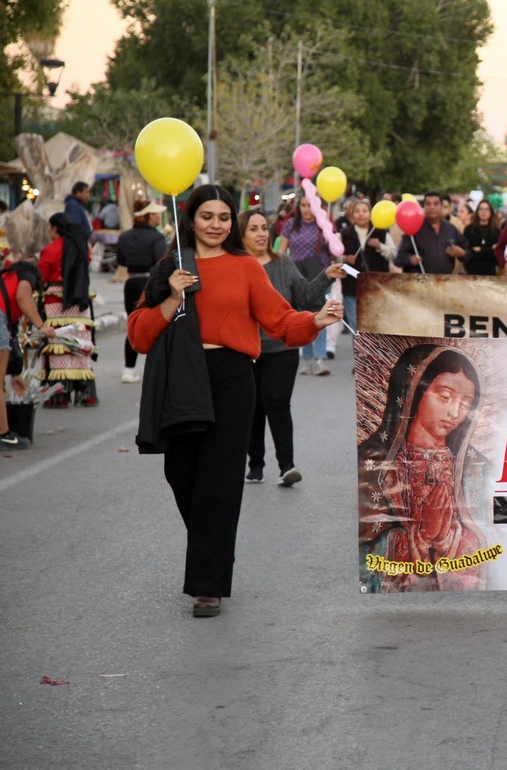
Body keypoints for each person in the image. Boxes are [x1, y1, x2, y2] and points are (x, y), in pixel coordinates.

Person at [127, 184, 345, 617]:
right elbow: (139, 335)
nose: (215, 225)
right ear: (190, 219)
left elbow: (280, 320)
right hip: (182, 379)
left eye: (223, 218)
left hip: (232, 377)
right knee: (181, 474)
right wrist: (172, 296)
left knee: (220, 480)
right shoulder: (170, 267)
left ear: (232, 223)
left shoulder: (246, 268)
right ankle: (213, 546)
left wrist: (315, 321)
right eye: (207, 217)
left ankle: (209, 585)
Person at [358, 344, 490, 592]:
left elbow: (494, 536)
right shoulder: (370, 463)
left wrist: (448, 538)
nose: (453, 412)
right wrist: (419, 536)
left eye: (465, 403)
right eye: (444, 396)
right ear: (414, 393)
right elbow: (361, 544)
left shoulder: (476, 467)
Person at [239, 208, 345, 486]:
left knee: (276, 401)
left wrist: (326, 275)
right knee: (251, 407)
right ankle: (255, 463)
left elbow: (307, 298)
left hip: (282, 347)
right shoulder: (235, 267)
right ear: (240, 234)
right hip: (246, 350)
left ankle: (287, 466)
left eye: (264, 227)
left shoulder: (283, 263)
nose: (262, 233)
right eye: (254, 228)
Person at [38, 212, 97, 407]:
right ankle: (86, 393)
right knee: (80, 343)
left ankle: (59, 395)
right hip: (79, 299)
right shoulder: (82, 247)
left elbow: (41, 277)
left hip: (56, 301)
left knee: (58, 345)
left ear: (55, 228)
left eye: (49, 228)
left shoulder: (50, 249)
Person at [1, 253, 57, 448]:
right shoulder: (27, 275)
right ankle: (4, 435)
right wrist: (42, 326)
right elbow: (22, 297)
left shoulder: (7, 277)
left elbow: (11, 338)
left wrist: (15, 373)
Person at [278, 196, 333, 375]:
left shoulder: (322, 224)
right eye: (303, 205)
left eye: (310, 205)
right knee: (303, 317)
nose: (307, 209)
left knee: (321, 315)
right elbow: (281, 251)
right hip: (298, 277)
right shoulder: (291, 225)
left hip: (320, 275)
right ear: (298, 207)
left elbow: (334, 249)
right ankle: (307, 359)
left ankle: (319, 359)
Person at [116, 200, 168, 383]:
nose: (159, 217)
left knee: (133, 324)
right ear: (150, 216)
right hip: (150, 283)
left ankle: (128, 369)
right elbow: (161, 262)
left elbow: (120, 261)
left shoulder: (125, 236)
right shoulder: (157, 238)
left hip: (131, 282)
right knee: (157, 325)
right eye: (156, 214)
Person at [338, 198, 396, 334]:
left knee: (374, 325)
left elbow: (393, 253)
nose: (361, 214)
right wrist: (345, 258)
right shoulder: (345, 234)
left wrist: (380, 246)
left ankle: (373, 354)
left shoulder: (381, 232)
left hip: (376, 285)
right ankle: (358, 355)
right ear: (352, 214)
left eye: (364, 211)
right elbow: (335, 257)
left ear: (371, 214)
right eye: (357, 211)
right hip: (352, 285)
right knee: (355, 325)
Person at [395, 191, 469, 275]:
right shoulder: (415, 228)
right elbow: (398, 258)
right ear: (424, 206)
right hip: (419, 283)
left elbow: (467, 251)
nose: (432, 207)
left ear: (441, 206)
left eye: (436, 203)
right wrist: (410, 259)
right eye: (428, 204)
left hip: (445, 283)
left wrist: (462, 253)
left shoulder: (451, 229)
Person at [462, 199, 501, 276]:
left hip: (490, 272)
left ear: (491, 212)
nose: (484, 212)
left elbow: (496, 253)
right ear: (477, 211)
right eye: (481, 209)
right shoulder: (469, 229)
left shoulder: (496, 231)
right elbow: (467, 251)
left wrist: (481, 249)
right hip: (472, 271)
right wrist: (488, 250)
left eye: (486, 209)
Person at [63, 182, 93, 247]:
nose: (88, 195)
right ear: (78, 193)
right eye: (86, 192)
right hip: (78, 243)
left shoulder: (79, 205)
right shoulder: (72, 205)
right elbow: (75, 226)